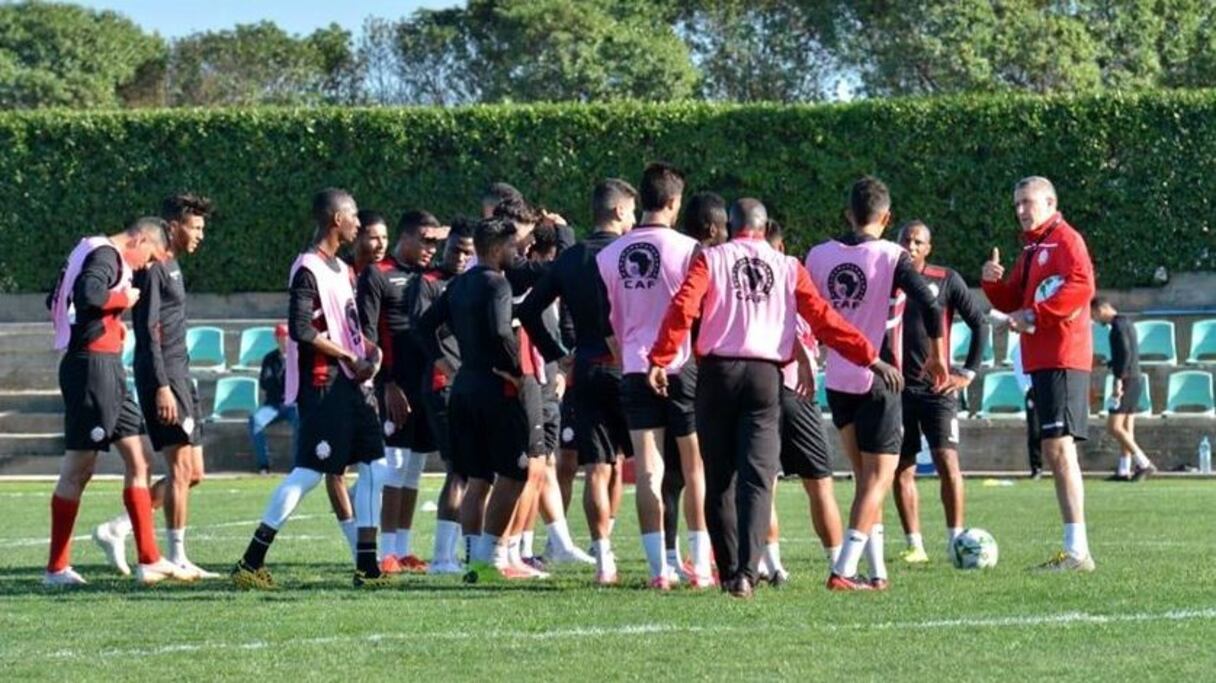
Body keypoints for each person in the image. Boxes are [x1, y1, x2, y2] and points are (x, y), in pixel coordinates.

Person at [648, 198, 887, 598]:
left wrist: (661, 357)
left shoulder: (711, 258)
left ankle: (729, 573)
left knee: (719, 478)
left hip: (717, 374)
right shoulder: (787, 265)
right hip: (764, 376)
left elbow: (682, 307)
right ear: (763, 227)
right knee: (757, 479)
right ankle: (747, 572)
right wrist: (870, 357)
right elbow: (824, 319)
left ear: (731, 226)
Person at [231, 188, 391, 589]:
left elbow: (348, 328)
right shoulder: (307, 268)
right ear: (337, 219)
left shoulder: (343, 268)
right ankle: (251, 561)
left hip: (351, 384)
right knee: (309, 472)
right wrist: (349, 357)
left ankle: (367, 567)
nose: (359, 223)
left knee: (375, 465)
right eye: (354, 216)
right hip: (324, 386)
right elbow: (302, 330)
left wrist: (370, 352)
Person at [805, 177, 949, 592]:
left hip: (837, 379)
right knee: (877, 480)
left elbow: (805, 310)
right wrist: (938, 356)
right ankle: (844, 570)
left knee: (864, 478)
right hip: (880, 376)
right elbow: (931, 303)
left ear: (848, 213)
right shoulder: (891, 254)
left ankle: (877, 572)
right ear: (887, 218)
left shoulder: (817, 255)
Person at [44, 216, 189, 586]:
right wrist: (123, 300)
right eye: (150, 257)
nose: (146, 266)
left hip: (104, 365)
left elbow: (57, 298)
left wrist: (109, 323)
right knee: (79, 468)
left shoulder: (90, 248)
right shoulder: (107, 255)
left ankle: (149, 560)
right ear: (139, 239)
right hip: (93, 369)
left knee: (140, 458)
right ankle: (56, 569)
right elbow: (88, 294)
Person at [596, 163, 713, 590]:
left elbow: (608, 322)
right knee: (694, 467)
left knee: (648, 470)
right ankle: (701, 567)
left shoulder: (608, 255)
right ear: (674, 202)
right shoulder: (690, 249)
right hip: (681, 365)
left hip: (634, 367)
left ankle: (658, 571)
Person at [518, 179, 637, 585]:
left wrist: (557, 353)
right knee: (647, 467)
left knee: (597, 469)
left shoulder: (570, 259)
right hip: (630, 368)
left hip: (585, 368)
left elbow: (529, 310)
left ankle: (603, 560)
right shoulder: (633, 252)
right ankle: (667, 559)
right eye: (631, 210)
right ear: (619, 210)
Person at [93, 194, 217, 580]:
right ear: (174, 226)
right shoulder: (153, 268)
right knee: (180, 468)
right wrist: (162, 385)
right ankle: (177, 557)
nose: (200, 235)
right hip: (163, 376)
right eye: (195, 227)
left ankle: (118, 527)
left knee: (194, 472)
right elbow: (146, 331)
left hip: (182, 373)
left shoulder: (173, 264)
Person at [416, 216, 548, 580]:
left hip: (464, 388)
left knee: (477, 478)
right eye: (513, 247)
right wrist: (518, 372)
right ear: (497, 248)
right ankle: (492, 559)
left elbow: (424, 326)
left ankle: (475, 561)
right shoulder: (498, 284)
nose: (517, 253)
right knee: (515, 472)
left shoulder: (458, 284)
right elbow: (502, 331)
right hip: (497, 390)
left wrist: (447, 365)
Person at [982, 175, 1097, 572]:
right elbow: (1014, 298)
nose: (1020, 210)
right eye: (1017, 204)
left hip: (1063, 356)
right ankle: (1076, 549)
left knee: (1060, 448)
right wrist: (992, 284)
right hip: (1044, 359)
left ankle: (1078, 552)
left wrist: (1033, 316)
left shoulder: (1066, 241)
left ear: (1050, 203)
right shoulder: (1033, 247)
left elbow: (1081, 286)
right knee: (1055, 448)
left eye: (1027, 202)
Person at [892, 220, 990, 563]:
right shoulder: (885, 279)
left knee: (947, 461)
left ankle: (955, 540)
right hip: (897, 389)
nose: (911, 246)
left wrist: (968, 372)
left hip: (938, 389)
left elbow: (979, 323)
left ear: (928, 248)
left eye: (918, 242)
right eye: (906, 239)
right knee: (902, 467)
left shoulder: (946, 278)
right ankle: (915, 545)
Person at [356, 208, 447, 574]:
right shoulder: (377, 274)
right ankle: (386, 552)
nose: (431, 249)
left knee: (414, 468)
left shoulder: (430, 277)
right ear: (405, 237)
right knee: (394, 466)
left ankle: (403, 549)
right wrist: (387, 384)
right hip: (395, 386)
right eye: (424, 241)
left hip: (425, 385)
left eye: (435, 243)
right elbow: (367, 335)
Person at [757, 219, 844, 585]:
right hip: (796, 391)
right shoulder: (788, 276)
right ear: (781, 248)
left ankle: (773, 565)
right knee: (819, 482)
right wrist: (807, 358)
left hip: (761, 391)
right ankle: (839, 565)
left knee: (766, 482)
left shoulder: (745, 280)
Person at [660, 190, 729, 579]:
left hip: (659, 367)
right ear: (714, 229)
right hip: (695, 370)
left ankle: (669, 558)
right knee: (698, 468)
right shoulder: (706, 259)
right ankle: (703, 559)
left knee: (668, 473)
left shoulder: (670, 254)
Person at [410, 221, 476, 573]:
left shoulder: (474, 281)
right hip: (444, 384)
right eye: (456, 250)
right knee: (459, 470)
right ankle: (442, 557)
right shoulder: (429, 282)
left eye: (468, 251)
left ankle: (467, 553)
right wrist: (446, 367)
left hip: (471, 384)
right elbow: (421, 328)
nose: (461, 257)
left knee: (475, 472)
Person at [1091, 297, 1157, 481]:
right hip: (1135, 378)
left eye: (1094, 315)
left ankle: (1144, 463)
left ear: (1101, 309)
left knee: (1114, 427)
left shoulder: (1117, 327)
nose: (1095, 319)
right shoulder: (1126, 322)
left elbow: (1125, 354)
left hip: (1127, 380)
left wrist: (1118, 380)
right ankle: (1123, 470)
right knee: (1127, 427)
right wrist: (1107, 363)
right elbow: (1125, 354)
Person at [248, 324, 298, 474]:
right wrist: (283, 377)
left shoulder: (298, 358)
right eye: (282, 337)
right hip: (273, 405)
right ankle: (264, 465)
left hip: (293, 404)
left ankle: (298, 465)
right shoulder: (270, 358)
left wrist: (280, 381)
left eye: (287, 337)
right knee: (255, 420)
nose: (285, 340)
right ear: (277, 339)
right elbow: (265, 382)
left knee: (301, 420)